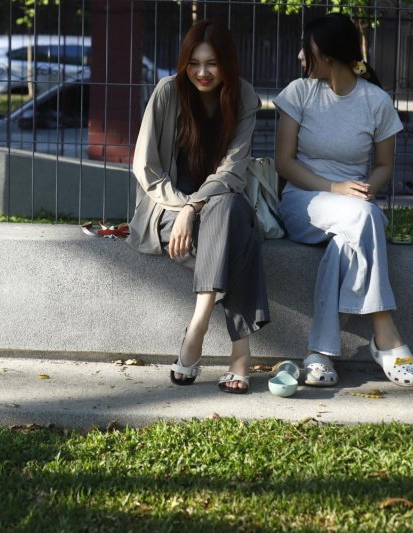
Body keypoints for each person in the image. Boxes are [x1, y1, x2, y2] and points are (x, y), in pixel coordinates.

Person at [274, 13, 413, 387]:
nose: (299, 56)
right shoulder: (299, 93)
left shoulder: (375, 101)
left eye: (306, 48)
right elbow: (284, 162)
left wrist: (365, 189)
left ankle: (320, 354)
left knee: (347, 240)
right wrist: (335, 187)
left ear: (327, 55)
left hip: (354, 209)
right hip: (303, 202)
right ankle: (385, 332)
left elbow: (384, 166)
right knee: (365, 218)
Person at [127, 20, 270, 394]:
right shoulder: (166, 93)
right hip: (165, 208)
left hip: (214, 204)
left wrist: (194, 208)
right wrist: (183, 208)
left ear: (227, 63)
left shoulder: (244, 97)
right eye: (194, 63)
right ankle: (240, 354)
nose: (202, 72)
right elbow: (146, 167)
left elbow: (233, 169)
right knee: (241, 237)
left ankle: (199, 324)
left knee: (225, 209)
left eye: (212, 63)